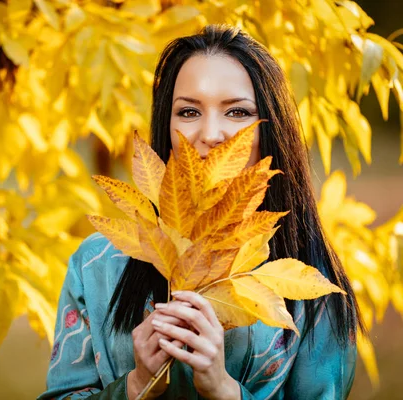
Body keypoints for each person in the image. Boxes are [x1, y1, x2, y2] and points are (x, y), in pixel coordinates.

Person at [37, 24, 360, 400]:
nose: (210, 134)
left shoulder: (313, 287)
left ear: (273, 130)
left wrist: (224, 390)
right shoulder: (97, 265)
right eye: (188, 111)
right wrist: (135, 385)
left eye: (238, 112)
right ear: (166, 128)